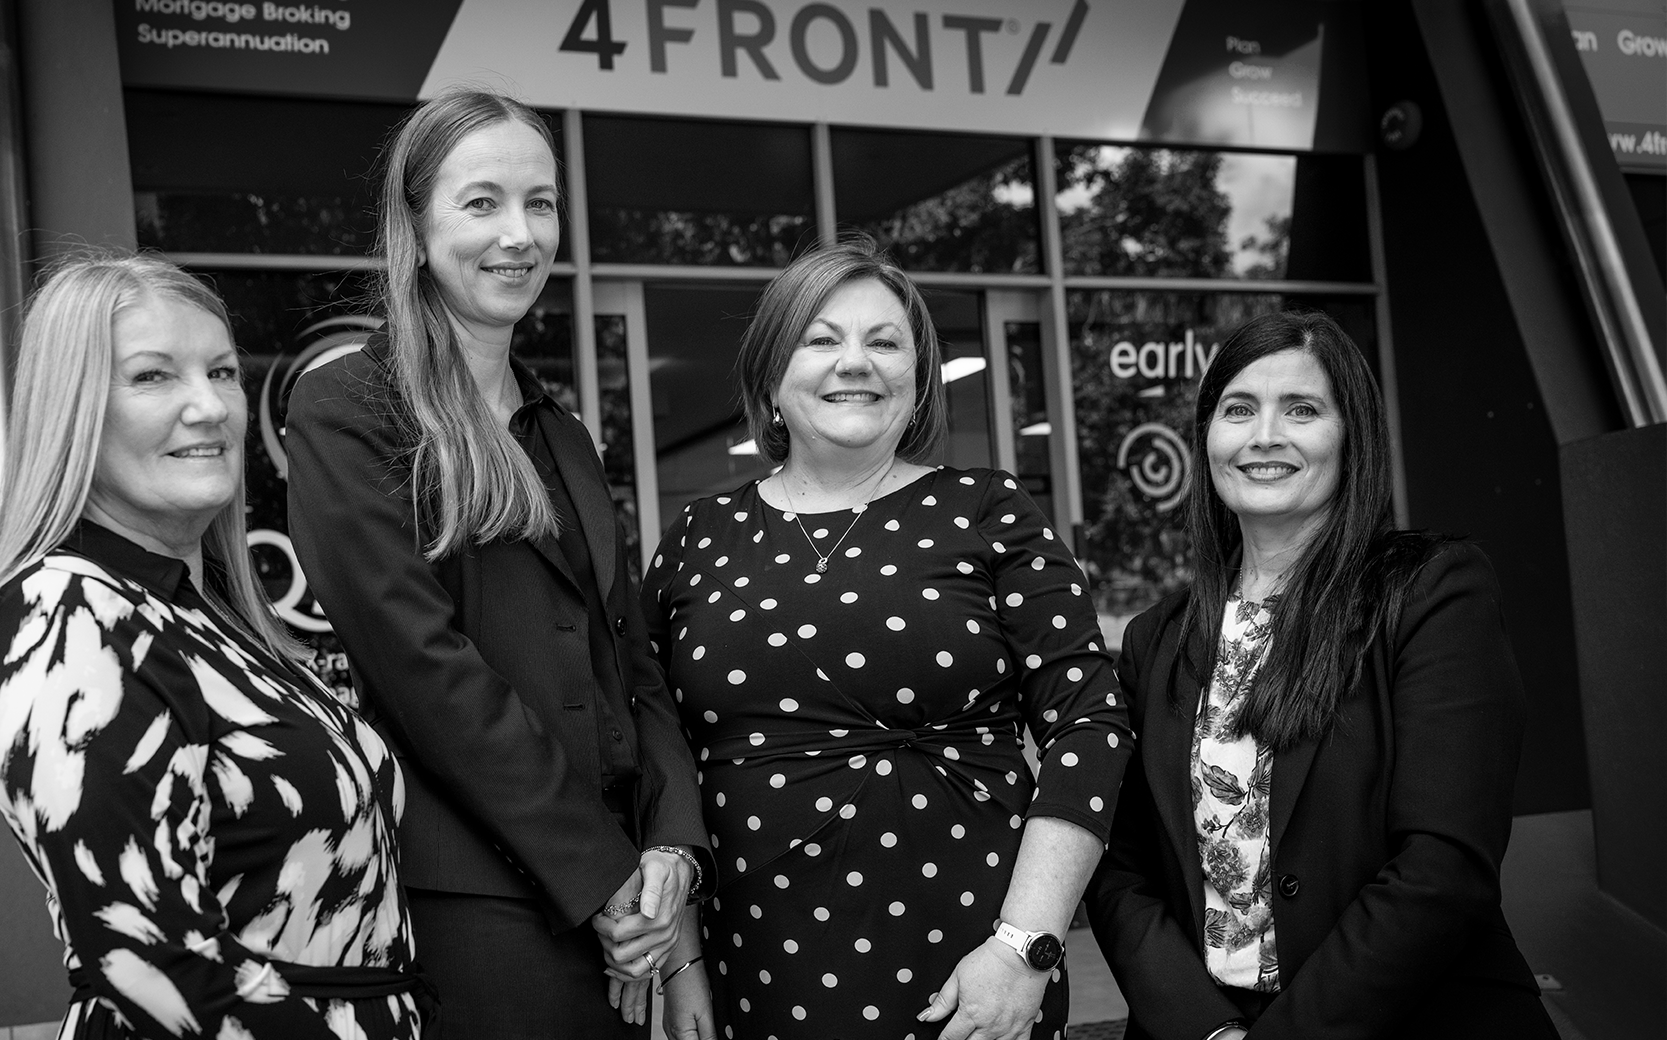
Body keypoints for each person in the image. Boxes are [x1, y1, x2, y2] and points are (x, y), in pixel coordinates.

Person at [283, 88, 711, 1038]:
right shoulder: (348, 407)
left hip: (626, 902)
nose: (520, 234)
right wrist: (601, 875)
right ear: (414, 227)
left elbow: (631, 662)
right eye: (482, 202)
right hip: (479, 906)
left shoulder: (562, 432)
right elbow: (426, 673)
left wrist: (672, 847)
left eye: (540, 203)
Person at [640, 239, 1133, 1040]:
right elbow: (660, 752)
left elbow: (1090, 723)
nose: (855, 362)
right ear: (770, 377)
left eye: (884, 341)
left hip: (977, 968)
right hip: (759, 969)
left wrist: (1025, 949)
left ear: (919, 376)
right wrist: (682, 961)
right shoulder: (701, 535)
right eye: (821, 338)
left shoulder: (989, 510)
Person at [0, 254, 424, 1038]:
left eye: (224, 373)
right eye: (153, 376)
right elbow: (149, 958)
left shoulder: (211, 616)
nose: (209, 407)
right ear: (73, 411)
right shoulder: (66, 616)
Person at [1085, 311, 1560, 1040]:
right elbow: (1122, 871)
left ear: (1351, 437)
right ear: (1207, 439)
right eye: (1238, 409)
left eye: (1301, 410)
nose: (1264, 435)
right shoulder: (1157, 639)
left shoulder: (1433, 594)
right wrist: (1208, 1029)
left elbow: (1442, 867)